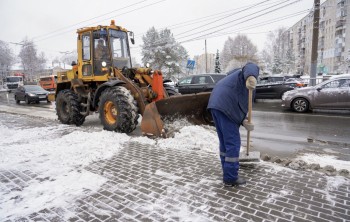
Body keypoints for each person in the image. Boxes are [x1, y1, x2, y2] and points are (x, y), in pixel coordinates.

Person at [207, 62, 259, 187]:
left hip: (216, 105)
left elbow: (241, 104)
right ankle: (230, 178)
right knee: (232, 143)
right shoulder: (244, 74)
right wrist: (251, 76)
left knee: (225, 143)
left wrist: (243, 120)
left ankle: (227, 171)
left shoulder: (234, 79)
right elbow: (251, 66)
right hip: (226, 106)